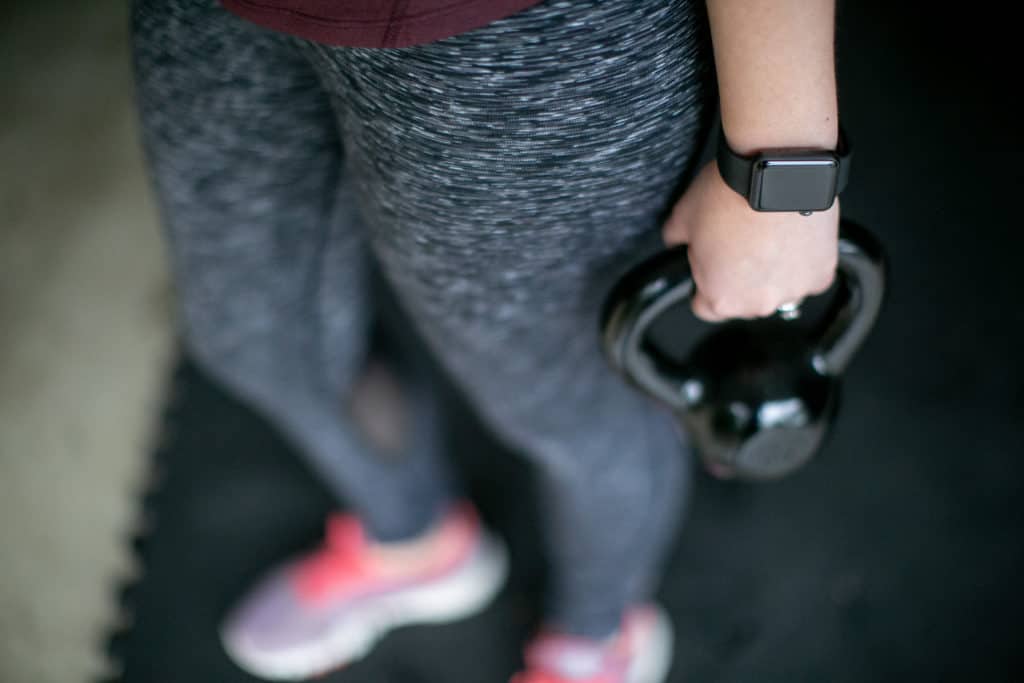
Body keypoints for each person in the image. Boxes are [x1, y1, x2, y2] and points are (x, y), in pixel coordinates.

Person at [130, 0, 842, 680]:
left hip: (513, 37)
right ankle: (416, 544)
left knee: (565, 397)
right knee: (256, 331)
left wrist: (781, 170)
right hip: (217, 14)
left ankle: (597, 636)